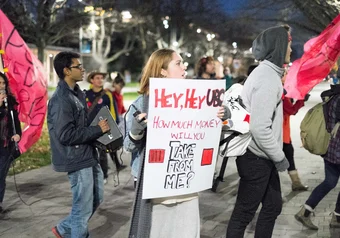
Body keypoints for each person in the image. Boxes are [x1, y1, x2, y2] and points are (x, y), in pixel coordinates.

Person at [124, 48, 227, 238]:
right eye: (178, 63)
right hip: (155, 190)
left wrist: (220, 118)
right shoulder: (141, 104)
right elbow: (128, 146)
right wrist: (137, 129)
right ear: (162, 70)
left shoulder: (197, 100)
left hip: (186, 184)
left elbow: (208, 138)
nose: (184, 68)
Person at [226, 25, 292, 238]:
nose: (291, 49)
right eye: (289, 44)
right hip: (257, 158)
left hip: (261, 157)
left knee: (272, 207)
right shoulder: (267, 78)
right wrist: (280, 157)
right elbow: (259, 126)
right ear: (279, 46)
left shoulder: (267, 73)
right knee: (244, 214)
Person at [48, 51, 110, 237]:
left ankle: (63, 229)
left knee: (96, 199)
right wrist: (97, 130)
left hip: (88, 154)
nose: (83, 70)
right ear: (67, 70)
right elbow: (66, 135)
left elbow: (80, 126)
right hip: (75, 158)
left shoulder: (76, 93)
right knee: (81, 209)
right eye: (78, 66)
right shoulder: (61, 100)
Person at [295, 79, 340, 230]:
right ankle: (337, 217)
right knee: (330, 182)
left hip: (331, 148)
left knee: (330, 181)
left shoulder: (333, 95)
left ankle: (305, 211)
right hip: (338, 149)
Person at [86, 71, 119, 184]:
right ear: (92, 80)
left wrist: (113, 126)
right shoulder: (86, 94)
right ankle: (91, 175)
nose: (100, 80)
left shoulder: (107, 95)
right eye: (97, 78)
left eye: (102, 78)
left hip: (103, 129)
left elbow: (113, 111)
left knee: (102, 154)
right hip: (89, 129)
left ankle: (103, 175)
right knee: (89, 153)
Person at [282, 70, 309, 191]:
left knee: (288, 156)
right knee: (288, 156)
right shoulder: (281, 93)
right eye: (286, 74)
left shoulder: (282, 91)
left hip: (283, 132)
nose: (288, 76)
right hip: (281, 134)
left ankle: (296, 183)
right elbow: (291, 110)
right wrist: (301, 100)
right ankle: (296, 183)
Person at [0, 72, 21, 219]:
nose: (1, 86)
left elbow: (16, 121)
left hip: (6, 145)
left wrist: (18, 133)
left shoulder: (10, 101)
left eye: (3, 83)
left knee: (1, 175)